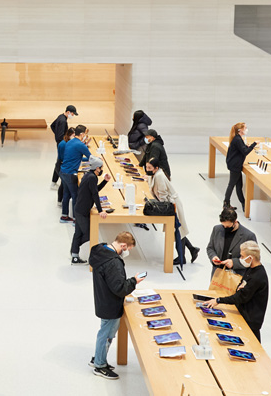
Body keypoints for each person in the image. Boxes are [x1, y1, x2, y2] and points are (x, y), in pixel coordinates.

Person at [89, 232, 144, 379]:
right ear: (123, 245)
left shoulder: (100, 252)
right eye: (128, 249)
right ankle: (99, 365)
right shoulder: (113, 262)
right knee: (106, 335)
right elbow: (119, 288)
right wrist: (134, 281)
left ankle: (99, 358)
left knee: (104, 332)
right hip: (110, 304)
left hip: (102, 299)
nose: (127, 252)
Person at [204, 241, 269, 341]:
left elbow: (241, 296)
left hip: (250, 321)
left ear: (251, 257)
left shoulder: (258, 276)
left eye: (242, 256)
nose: (240, 259)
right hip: (243, 312)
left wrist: (218, 300)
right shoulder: (251, 269)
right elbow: (241, 287)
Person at [145, 159, 199, 265]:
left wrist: (161, 207)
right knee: (179, 230)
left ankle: (182, 257)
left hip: (172, 205)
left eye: (149, 168)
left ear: (156, 168)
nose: (147, 170)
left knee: (178, 230)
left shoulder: (159, 176)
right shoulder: (157, 174)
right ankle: (191, 249)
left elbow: (163, 193)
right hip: (171, 203)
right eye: (147, 167)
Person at [70, 157, 109, 265]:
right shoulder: (92, 178)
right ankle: (75, 248)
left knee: (78, 233)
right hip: (82, 211)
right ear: (97, 168)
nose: (102, 170)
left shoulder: (89, 175)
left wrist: (105, 181)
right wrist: (100, 210)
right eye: (101, 168)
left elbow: (94, 190)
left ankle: (74, 255)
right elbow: (95, 194)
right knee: (88, 233)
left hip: (79, 208)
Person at [205, 207, 257, 275]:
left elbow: (253, 259)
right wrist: (213, 257)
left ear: (235, 222)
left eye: (228, 227)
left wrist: (234, 263)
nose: (225, 228)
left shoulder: (248, 236)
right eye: (223, 226)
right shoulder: (217, 229)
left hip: (236, 277)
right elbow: (210, 248)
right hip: (217, 276)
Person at [60, 125, 91, 223]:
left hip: (63, 171)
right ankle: (76, 219)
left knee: (66, 193)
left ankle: (64, 216)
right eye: (85, 134)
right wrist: (99, 160)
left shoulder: (69, 142)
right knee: (75, 196)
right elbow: (91, 158)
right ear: (81, 134)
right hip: (71, 174)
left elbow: (75, 157)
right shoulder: (81, 145)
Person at [225, 122, 256, 210]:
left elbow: (242, 149)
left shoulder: (238, 138)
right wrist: (254, 144)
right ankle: (226, 203)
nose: (246, 129)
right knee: (231, 185)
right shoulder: (237, 139)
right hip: (235, 165)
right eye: (245, 128)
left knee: (239, 186)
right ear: (240, 130)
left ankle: (243, 204)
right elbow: (245, 152)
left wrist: (246, 146)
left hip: (235, 165)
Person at [50, 105, 78, 190]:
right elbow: (61, 135)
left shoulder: (60, 117)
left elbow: (52, 126)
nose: (72, 116)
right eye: (72, 114)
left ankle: (54, 182)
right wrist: (65, 141)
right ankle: (57, 182)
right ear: (68, 112)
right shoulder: (63, 121)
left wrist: (57, 134)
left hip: (60, 143)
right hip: (61, 144)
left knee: (59, 161)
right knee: (60, 162)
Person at [55, 127, 75, 202]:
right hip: (61, 166)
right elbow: (65, 157)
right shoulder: (63, 144)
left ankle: (61, 200)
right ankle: (60, 200)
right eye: (73, 135)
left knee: (64, 184)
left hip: (64, 165)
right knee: (63, 184)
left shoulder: (68, 143)